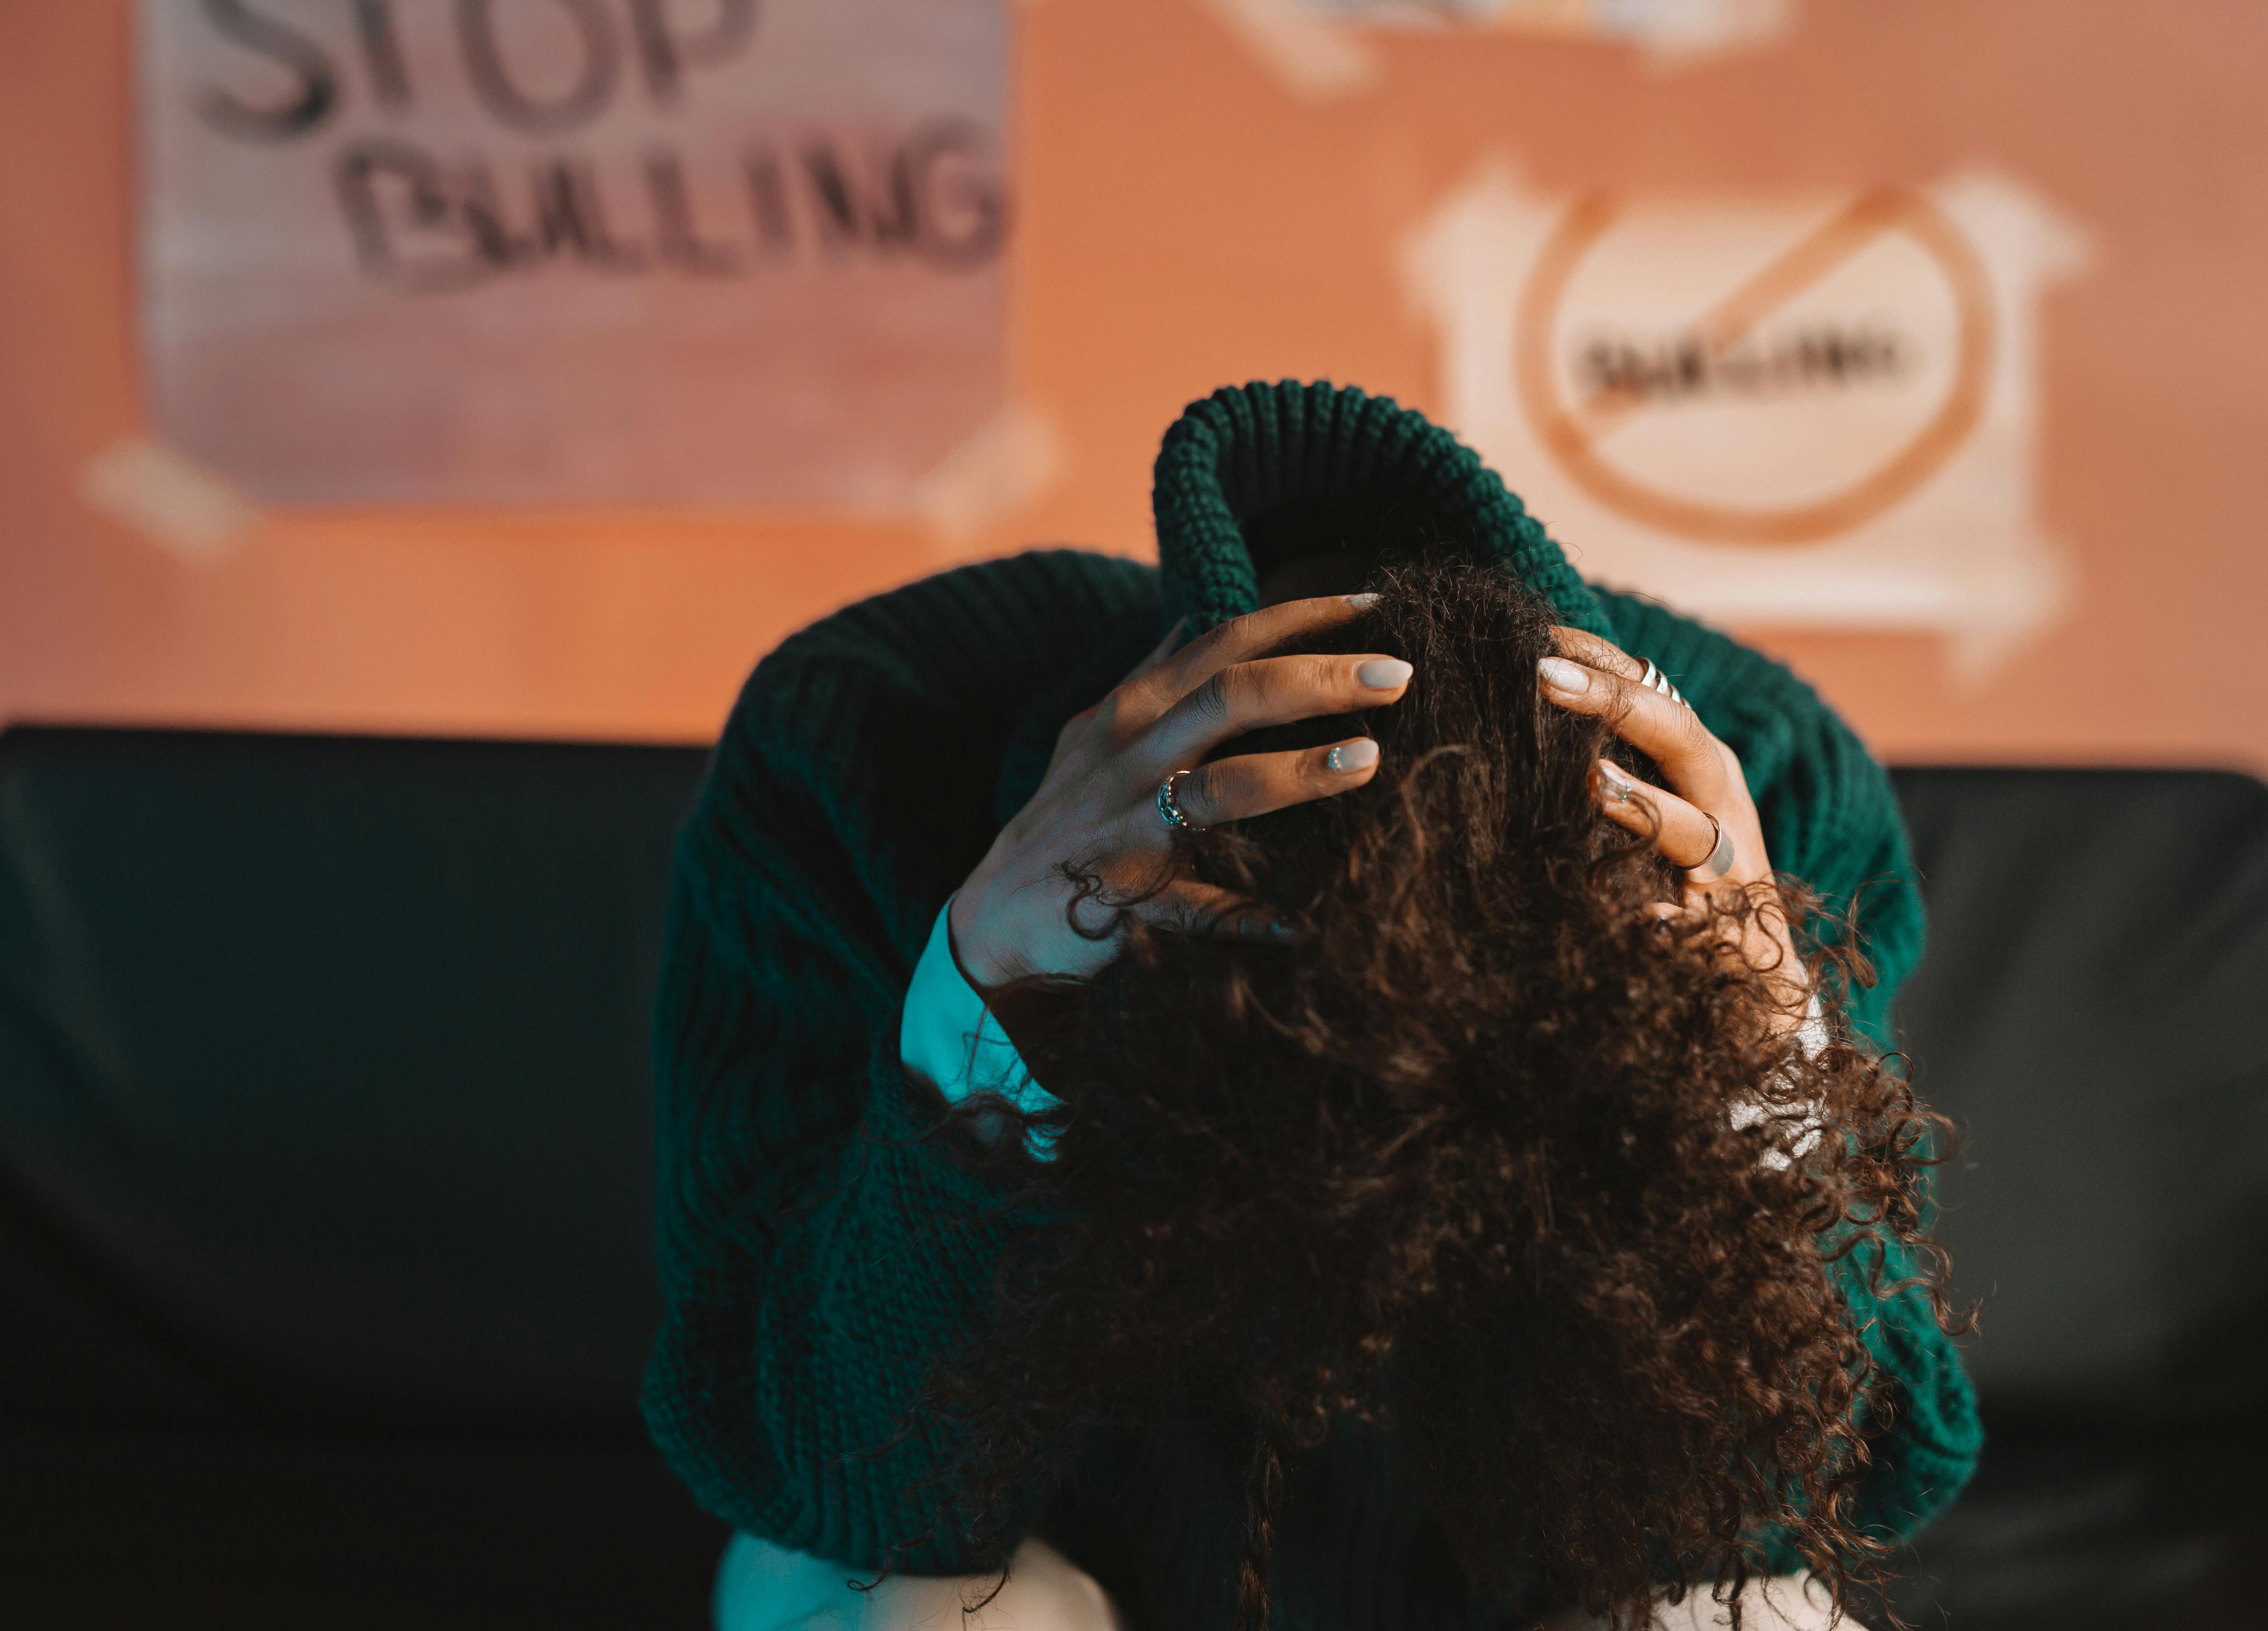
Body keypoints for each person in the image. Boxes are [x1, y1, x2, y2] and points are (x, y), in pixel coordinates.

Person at [643, 382, 1980, 1631]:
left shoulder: (1766, 800)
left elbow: (1815, 1507)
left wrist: (1756, 1106)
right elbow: (816, 1478)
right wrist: (992, 1015)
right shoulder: (859, 738)